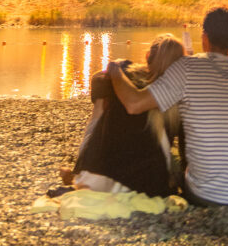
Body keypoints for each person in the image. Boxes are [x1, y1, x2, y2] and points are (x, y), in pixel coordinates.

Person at [107, 6, 228, 208]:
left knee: (171, 146)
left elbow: (134, 104)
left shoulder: (186, 68)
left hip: (203, 196)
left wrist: (115, 70)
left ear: (204, 38)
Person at [60, 33, 184, 197]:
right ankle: (78, 174)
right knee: (171, 154)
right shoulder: (179, 93)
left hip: (100, 180)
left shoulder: (124, 77)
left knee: (100, 110)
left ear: (147, 56)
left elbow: (98, 79)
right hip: (149, 186)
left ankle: (79, 172)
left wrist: (115, 69)